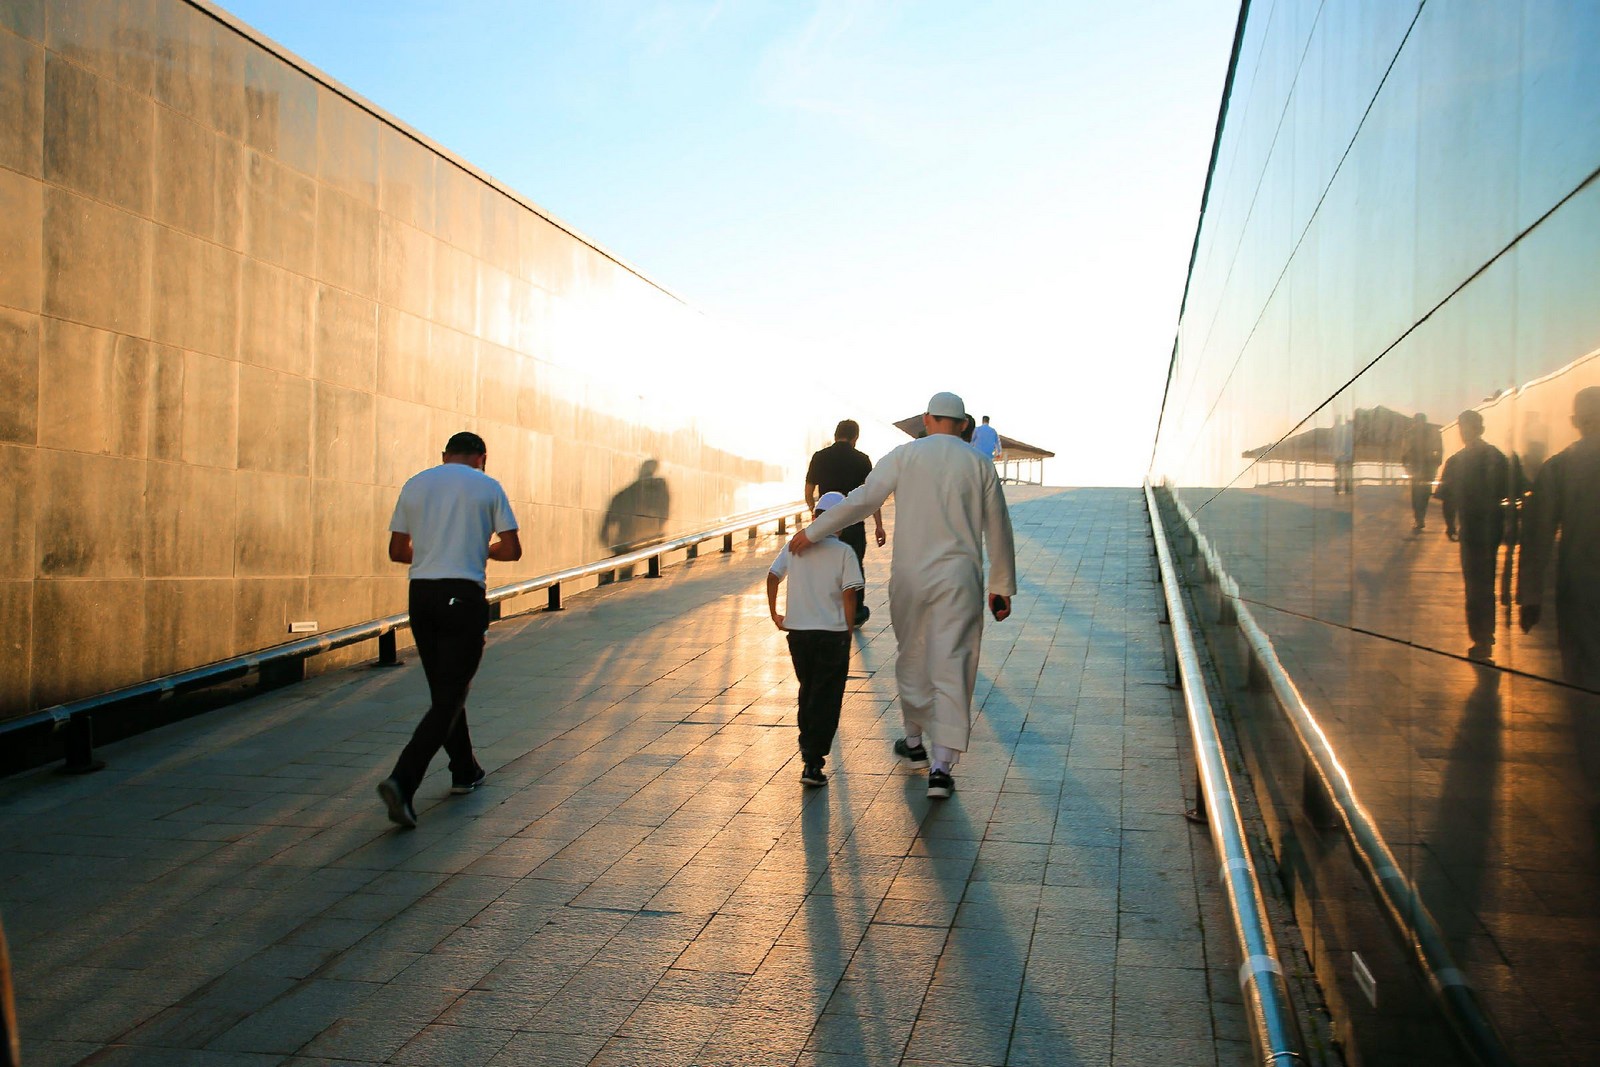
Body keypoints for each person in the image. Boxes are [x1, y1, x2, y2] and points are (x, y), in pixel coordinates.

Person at [789, 391, 1017, 799]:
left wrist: (815, 531)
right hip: (959, 580)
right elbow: (998, 525)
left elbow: (862, 500)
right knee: (954, 664)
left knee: (913, 656)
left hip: (911, 577)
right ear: (964, 425)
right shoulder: (980, 464)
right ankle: (941, 769)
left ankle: (913, 742)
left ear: (927, 419)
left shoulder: (904, 456)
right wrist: (1001, 587)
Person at [378, 431, 522, 828]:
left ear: (445, 455)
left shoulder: (415, 484)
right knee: (451, 696)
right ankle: (402, 781)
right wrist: (480, 549)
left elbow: (397, 551)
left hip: (421, 596)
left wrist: (432, 553)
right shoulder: (488, 486)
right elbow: (512, 549)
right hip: (463, 594)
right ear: (482, 457)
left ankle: (464, 770)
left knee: (444, 692)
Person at [767, 491, 864, 787]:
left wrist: (775, 614)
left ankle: (808, 752)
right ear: (841, 522)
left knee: (808, 690)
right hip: (832, 634)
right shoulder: (844, 552)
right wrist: (848, 630)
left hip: (798, 633)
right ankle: (813, 761)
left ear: (815, 516)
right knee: (827, 696)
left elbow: (773, 576)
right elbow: (850, 593)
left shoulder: (795, 545)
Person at [1518, 386, 1600, 689]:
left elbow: (1537, 536)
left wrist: (1531, 596)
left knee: (1581, 670)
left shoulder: (1560, 466)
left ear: (1574, 421)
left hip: (1578, 584)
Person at [1435, 410, 1509, 662]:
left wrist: (1450, 525)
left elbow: (1447, 498)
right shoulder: (1496, 457)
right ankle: (1486, 634)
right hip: (1492, 527)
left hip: (1470, 528)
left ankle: (1480, 637)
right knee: (1486, 581)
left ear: (1463, 431)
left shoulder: (1457, 461)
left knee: (1474, 584)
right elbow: (1512, 490)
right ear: (1482, 429)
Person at [805, 420, 886, 625]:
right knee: (854, 566)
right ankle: (855, 613)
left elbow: (808, 491)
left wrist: (815, 514)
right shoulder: (862, 460)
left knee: (826, 565)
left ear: (835, 435)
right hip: (853, 523)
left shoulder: (819, 457)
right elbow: (872, 495)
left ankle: (826, 609)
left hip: (826, 523)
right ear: (855, 438)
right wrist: (878, 525)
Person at [1401, 412, 1442, 532]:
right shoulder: (1410, 434)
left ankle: (1419, 518)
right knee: (1418, 494)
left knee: (1423, 494)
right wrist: (1406, 465)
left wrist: (1436, 463)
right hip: (1418, 469)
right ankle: (1419, 518)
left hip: (1426, 469)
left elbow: (1438, 450)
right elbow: (1405, 452)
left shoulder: (1429, 433)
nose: (1418, 425)